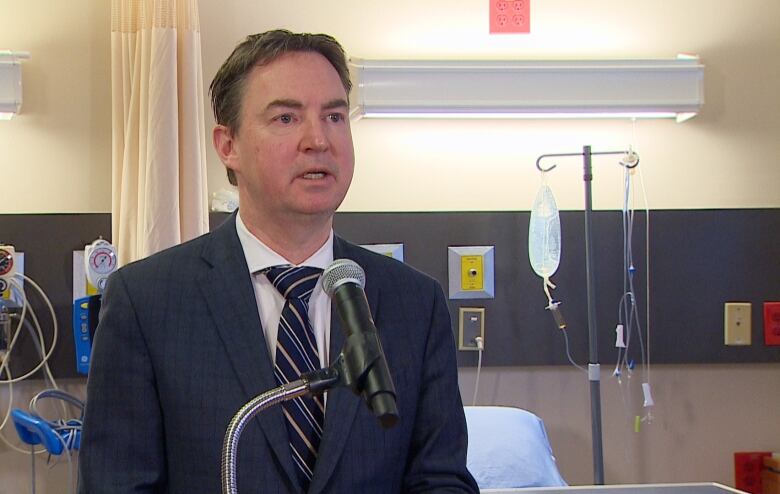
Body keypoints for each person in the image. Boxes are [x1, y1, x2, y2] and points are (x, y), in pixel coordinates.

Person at [78, 29, 478, 493]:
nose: (318, 140)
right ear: (228, 145)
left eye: (334, 116)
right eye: (287, 118)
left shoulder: (414, 303)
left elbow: (442, 478)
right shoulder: (147, 302)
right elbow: (116, 485)